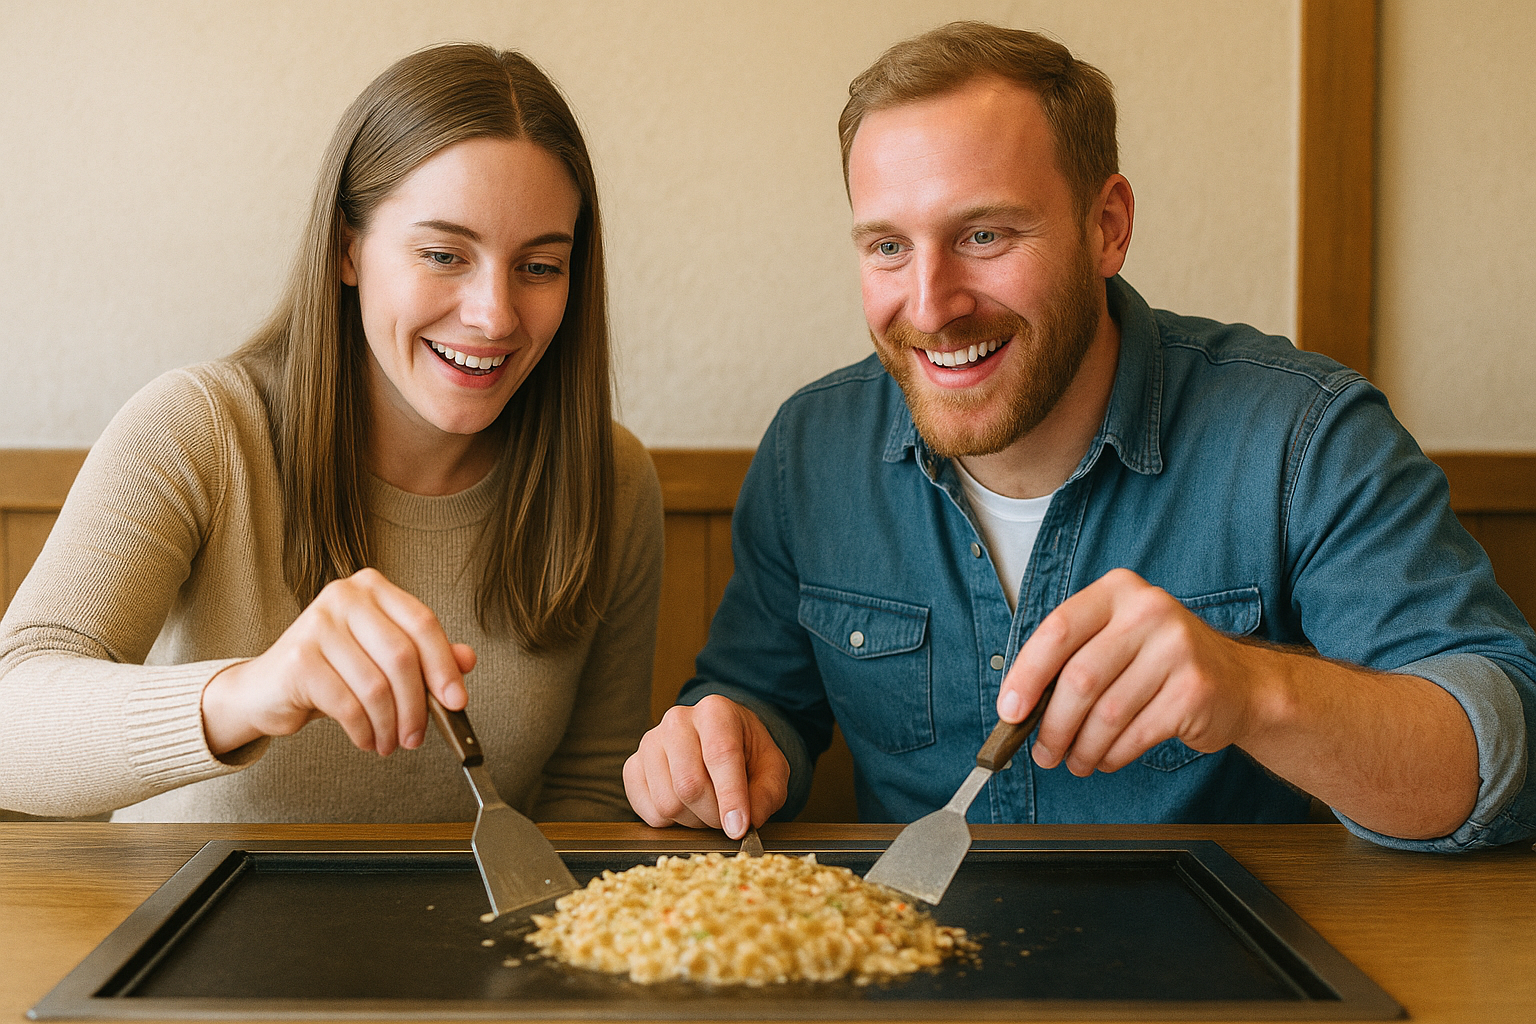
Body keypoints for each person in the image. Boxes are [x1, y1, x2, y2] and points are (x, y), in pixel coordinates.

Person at [624, 22, 1536, 852]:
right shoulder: (810, 452)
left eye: (983, 234)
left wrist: (1253, 690)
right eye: (888, 248)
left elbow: (1503, 756)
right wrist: (720, 742)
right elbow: (760, 706)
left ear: (1107, 227)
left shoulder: (1302, 435)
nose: (932, 306)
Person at [0, 44, 663, 822]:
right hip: (189, 933)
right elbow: (13, 722)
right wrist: (252, 690)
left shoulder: (611, 479)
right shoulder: (202, 429)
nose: (495, 315)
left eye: (541, 267)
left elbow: (589, 796)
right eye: (444, 254)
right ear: (348, 248)